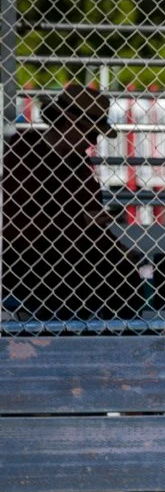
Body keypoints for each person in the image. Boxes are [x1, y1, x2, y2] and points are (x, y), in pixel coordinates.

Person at [1, 81, 143, 321]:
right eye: (90, 133)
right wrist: (80, 222)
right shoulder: (23, 153)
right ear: (69, 123)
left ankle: (122, 334)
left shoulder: (79, 165)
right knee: (76, 275)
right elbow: (17, 226)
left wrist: (120, 249)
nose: (93, 141)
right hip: (29, 257)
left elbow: (93, 223)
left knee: (124, 273)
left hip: (74, 255)